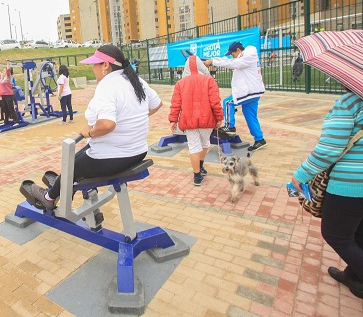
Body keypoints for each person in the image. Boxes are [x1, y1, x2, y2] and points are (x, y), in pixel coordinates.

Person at [290, 89, 363, 317]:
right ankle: (355, 278)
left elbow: (328, 150)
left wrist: (300, 175)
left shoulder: (349, 103)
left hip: (351, 185)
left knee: (337, 236)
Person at [23, 44, 162, 210]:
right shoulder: (135, 80)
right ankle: (63, 185)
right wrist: (131, 120)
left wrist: (90, 131)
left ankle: (49, 197)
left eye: (94, 64)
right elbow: (157, 104)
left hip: (115, 156)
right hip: (137, 151)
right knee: (75, 158)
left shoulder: (108, 85)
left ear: (105, 65)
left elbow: (107, 124)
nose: (92, 68)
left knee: (70, 168)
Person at [168, 56, 224, 186]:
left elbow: (176, 103)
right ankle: (201, 166)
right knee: (205, 143)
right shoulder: (209, 80)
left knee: (193, 146)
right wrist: (219, 117)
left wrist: (173, 120)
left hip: (188, 120)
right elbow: (215, 102)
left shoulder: (180, 83)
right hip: (207, 119)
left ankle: (197, 175)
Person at [204, 41, 267, 152]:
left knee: (228, 103)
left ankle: (230, 126)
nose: (232, 56)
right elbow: (230, 61)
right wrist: (212, 60)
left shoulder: (247, 56)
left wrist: (212, 61)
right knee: (250, 116)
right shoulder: (245, 57)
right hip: (254, 91)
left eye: (232, 54)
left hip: (249, 91)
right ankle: (259, 139)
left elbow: (232, 63)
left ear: (238, 50)